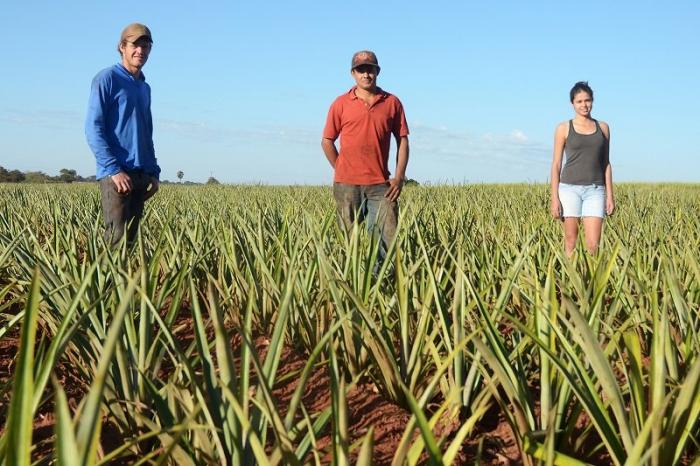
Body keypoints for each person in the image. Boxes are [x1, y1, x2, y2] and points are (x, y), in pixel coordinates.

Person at [321, 50, 410, 262]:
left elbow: (403, 140)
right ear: (353, 73)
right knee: (346, 240)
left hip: (381, 185)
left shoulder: (392, 102)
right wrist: (341, 167)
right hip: (346, 185)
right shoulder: (340, 103)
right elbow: (327, 141)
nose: (366, 74)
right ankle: (347, 284)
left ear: (377, 72)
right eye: (361, 70)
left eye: (370, 69)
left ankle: (383, 286)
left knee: (386, 241)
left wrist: (399, 177)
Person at [86, 22, 160, 245]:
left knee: (130, 241)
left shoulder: (144, 87)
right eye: (135, 45)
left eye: (146, 46)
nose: (141, 51)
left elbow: (146, 132)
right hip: (117, 175)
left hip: (140, 174)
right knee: (115, 241)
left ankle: (126, 281)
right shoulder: (107, 79)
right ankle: (105, 281)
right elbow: (93, 127)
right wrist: (113, 169)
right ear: (122, 47)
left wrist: (154, 171)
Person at [550, 81, 614, 256]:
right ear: (572, 104)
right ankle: (570, 281)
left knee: (593, 245)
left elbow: (606, 163)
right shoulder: (563, 128)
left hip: (596, 190)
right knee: (571, 240)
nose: (584, 105)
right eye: (579, 101)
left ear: (592, 101)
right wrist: (554, 198)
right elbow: (556, 164)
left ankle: (590, 282)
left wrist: (610, 195)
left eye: (587, 100)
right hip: (569, 189)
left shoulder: (603, 128)